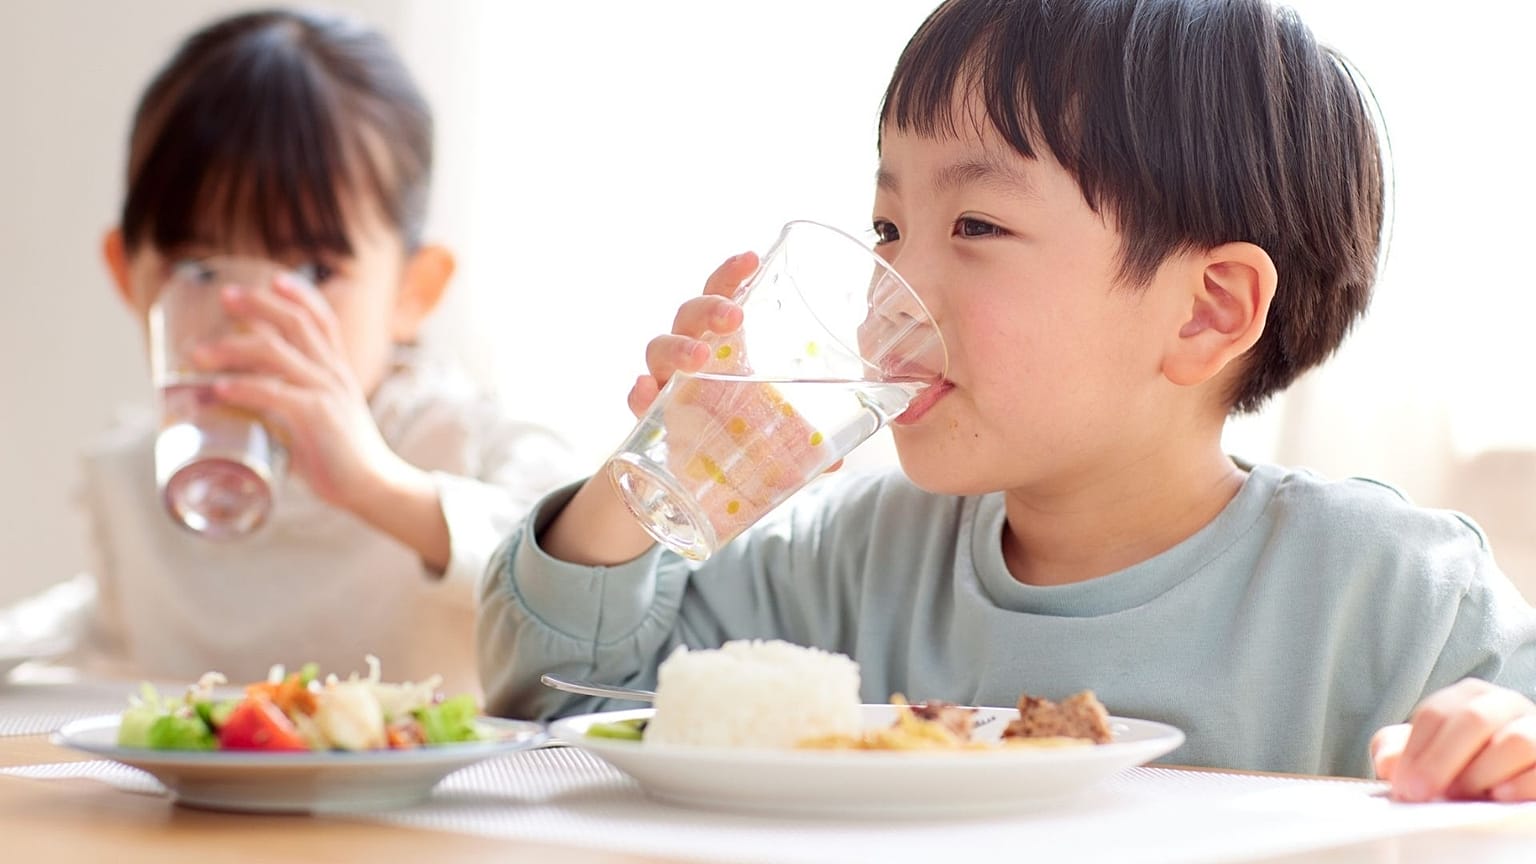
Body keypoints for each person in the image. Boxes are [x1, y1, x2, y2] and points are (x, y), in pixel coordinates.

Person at [476, 0, 1536, 800]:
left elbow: (1513, 751)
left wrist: (1501, 752)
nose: (889, 293)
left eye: (976, 226)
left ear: (1207, 310)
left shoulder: (1396, 595)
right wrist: (650, 478)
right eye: (887, 229)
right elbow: (557, 717)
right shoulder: (849, 561)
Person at [0, 9, 574, 695]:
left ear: (412, 291)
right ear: (131, 280)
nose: (249, 313)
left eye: (311, 272)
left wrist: (376, 484)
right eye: (198, 269)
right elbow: (88, 627)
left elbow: (587, 597)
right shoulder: (133, 477)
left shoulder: (460, 441)